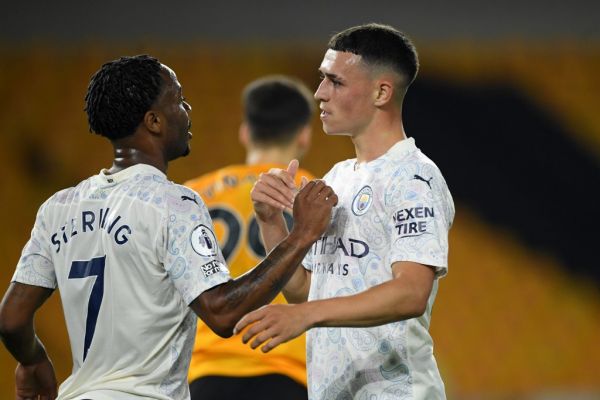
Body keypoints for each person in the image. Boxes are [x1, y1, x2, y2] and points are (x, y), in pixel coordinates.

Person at [0, 55, 337, 400]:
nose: (188, 110)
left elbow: (11, 318)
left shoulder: (58, 208)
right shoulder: (174, 202)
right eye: (178, 100)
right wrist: (300, 236)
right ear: (154, 121)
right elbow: (222, 313)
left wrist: (33, 361)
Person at [235, 24, 455, 400]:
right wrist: (270, 219)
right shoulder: (338, 178)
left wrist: (307, 315)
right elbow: (306, 292)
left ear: (381, 92)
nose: (319, 93)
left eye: (334, 82)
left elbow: (411, 292)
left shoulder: (414, 178)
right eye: (322, 80)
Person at [184, 76, 315, 400]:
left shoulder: (191, 195)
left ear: (245, 131)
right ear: (304, 135)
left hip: (204, 372)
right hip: (287, 369)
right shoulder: (319, 198)